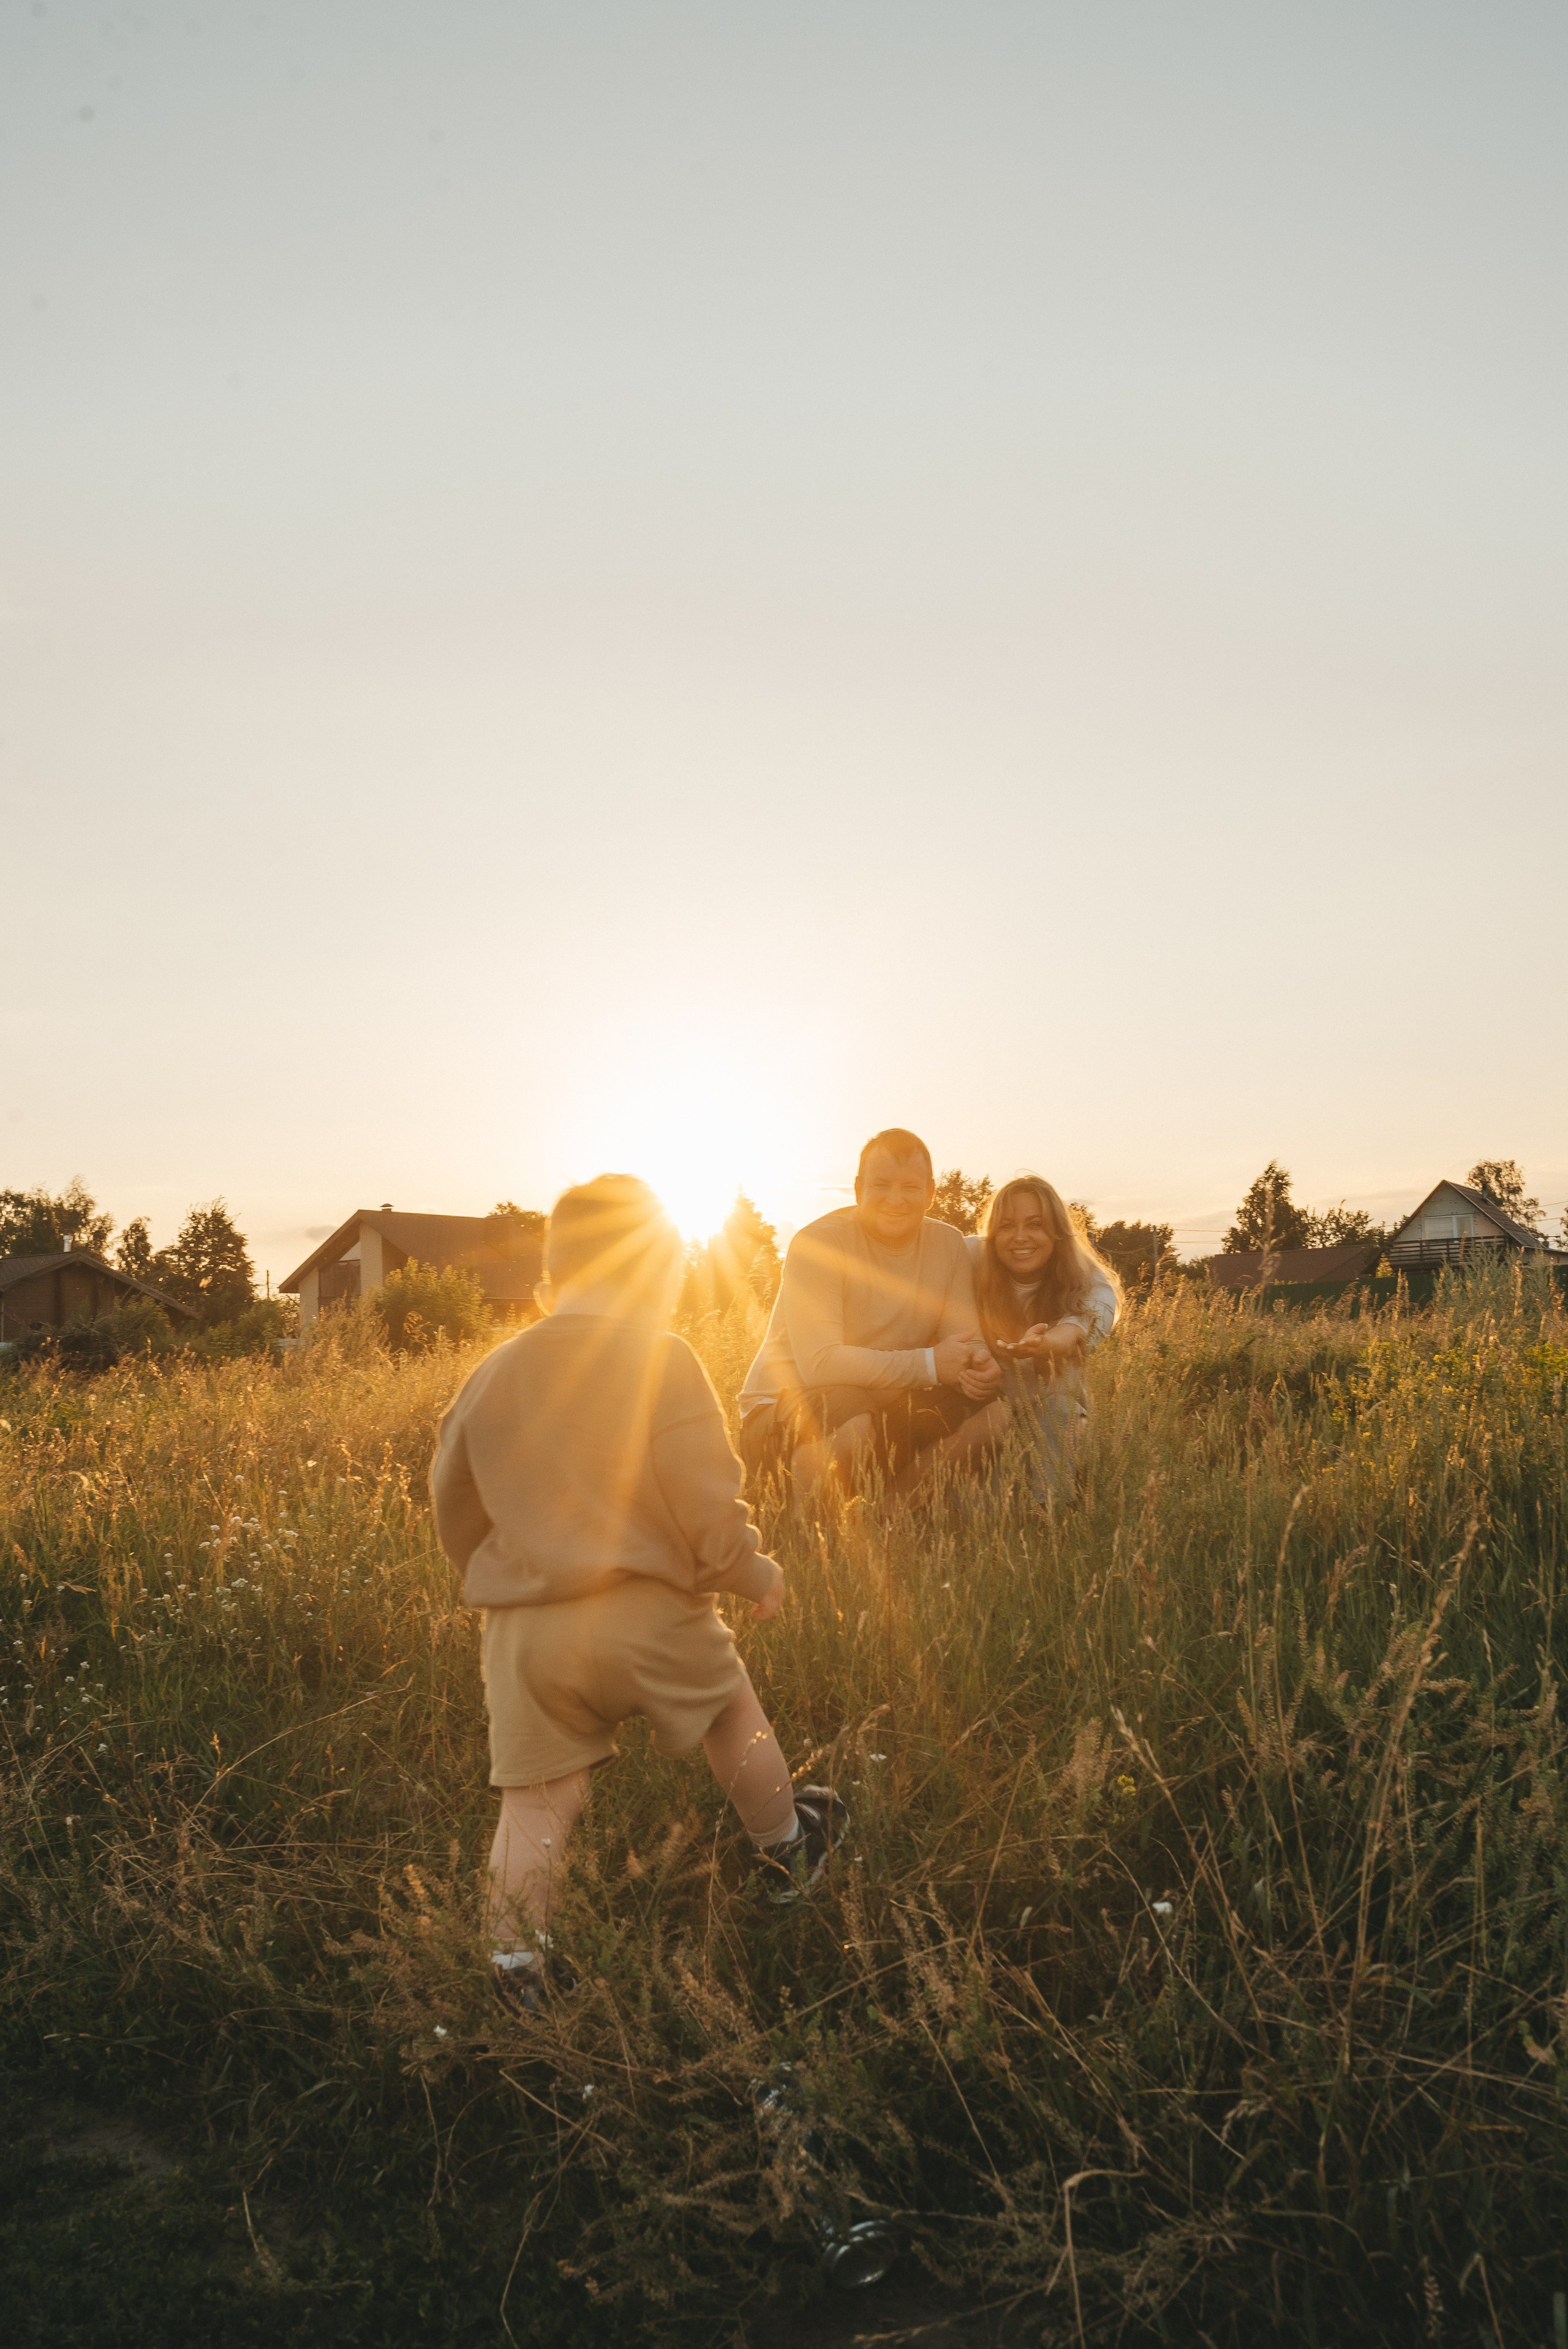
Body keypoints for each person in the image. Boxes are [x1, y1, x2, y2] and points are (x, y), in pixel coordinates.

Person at [429, 1174, 848, 2009]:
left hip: (528, 1630)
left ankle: (518, 1971)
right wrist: (749, 1567)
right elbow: (704, 1497)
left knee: (538, 1803)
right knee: (732, 1711)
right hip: (649, 1609)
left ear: (551, 1280)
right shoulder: (665, 1356)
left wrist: (496, 1568)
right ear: (660, 1276)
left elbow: (452, 1490)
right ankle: (787, 1842)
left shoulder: (495, 1369)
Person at [737, 1128, 1001, 1502]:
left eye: (910, 1186)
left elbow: (964, 1342)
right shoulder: (819, 1244)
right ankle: (799, 1525)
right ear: (859, 1188)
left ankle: (890, 1512)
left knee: (996, 1417)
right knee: (856, 1424)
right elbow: (821, 1364)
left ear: (930, 1193)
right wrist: (931, 1365)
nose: (895, 1199)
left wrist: (978, 1366)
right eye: (881, 1184)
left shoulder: (948, 1244)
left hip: (884, 1400)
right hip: (784, 1406)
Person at [960, 1177, 1120, 1503]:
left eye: (1035, 1225)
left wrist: (1044, 1345)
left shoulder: (1090, 1282)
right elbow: (927, 1238)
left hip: (1053, 1422)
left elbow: (1075, 1333)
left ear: (1057, 1231)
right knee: (974, 1511)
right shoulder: (974, 1255)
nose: (1020, 1238)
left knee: (1061, 1411)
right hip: (988, 1423)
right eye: (1006, 1226)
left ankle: (1051, 1518)